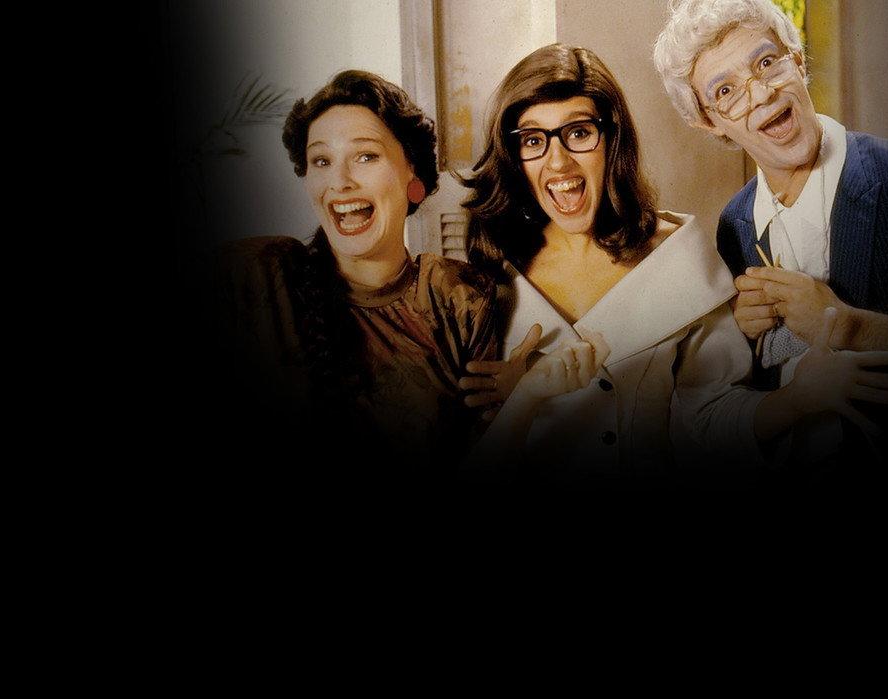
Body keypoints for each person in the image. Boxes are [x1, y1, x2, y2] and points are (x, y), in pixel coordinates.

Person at [458, 44, 888, 485]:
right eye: (533, 140)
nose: (558, 161)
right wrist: (521, 400)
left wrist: (800, 396)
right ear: (513, 154)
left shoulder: (681, 253)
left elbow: (715, 422)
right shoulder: (486, 276)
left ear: (612, 139)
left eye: (579, 132)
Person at [210, 69, 600, 477]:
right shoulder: (254, 275)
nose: (339, 182)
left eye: (365, 156)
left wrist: (524, 399)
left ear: (411, 172)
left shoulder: (459, 298)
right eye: (321, 161)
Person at [653, 0, 888, 474]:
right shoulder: (735, 226)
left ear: (798, 60)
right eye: (726, 91)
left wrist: (847, 327)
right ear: (709, 121)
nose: (761, 94)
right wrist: (741, 337)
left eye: (767, 62)